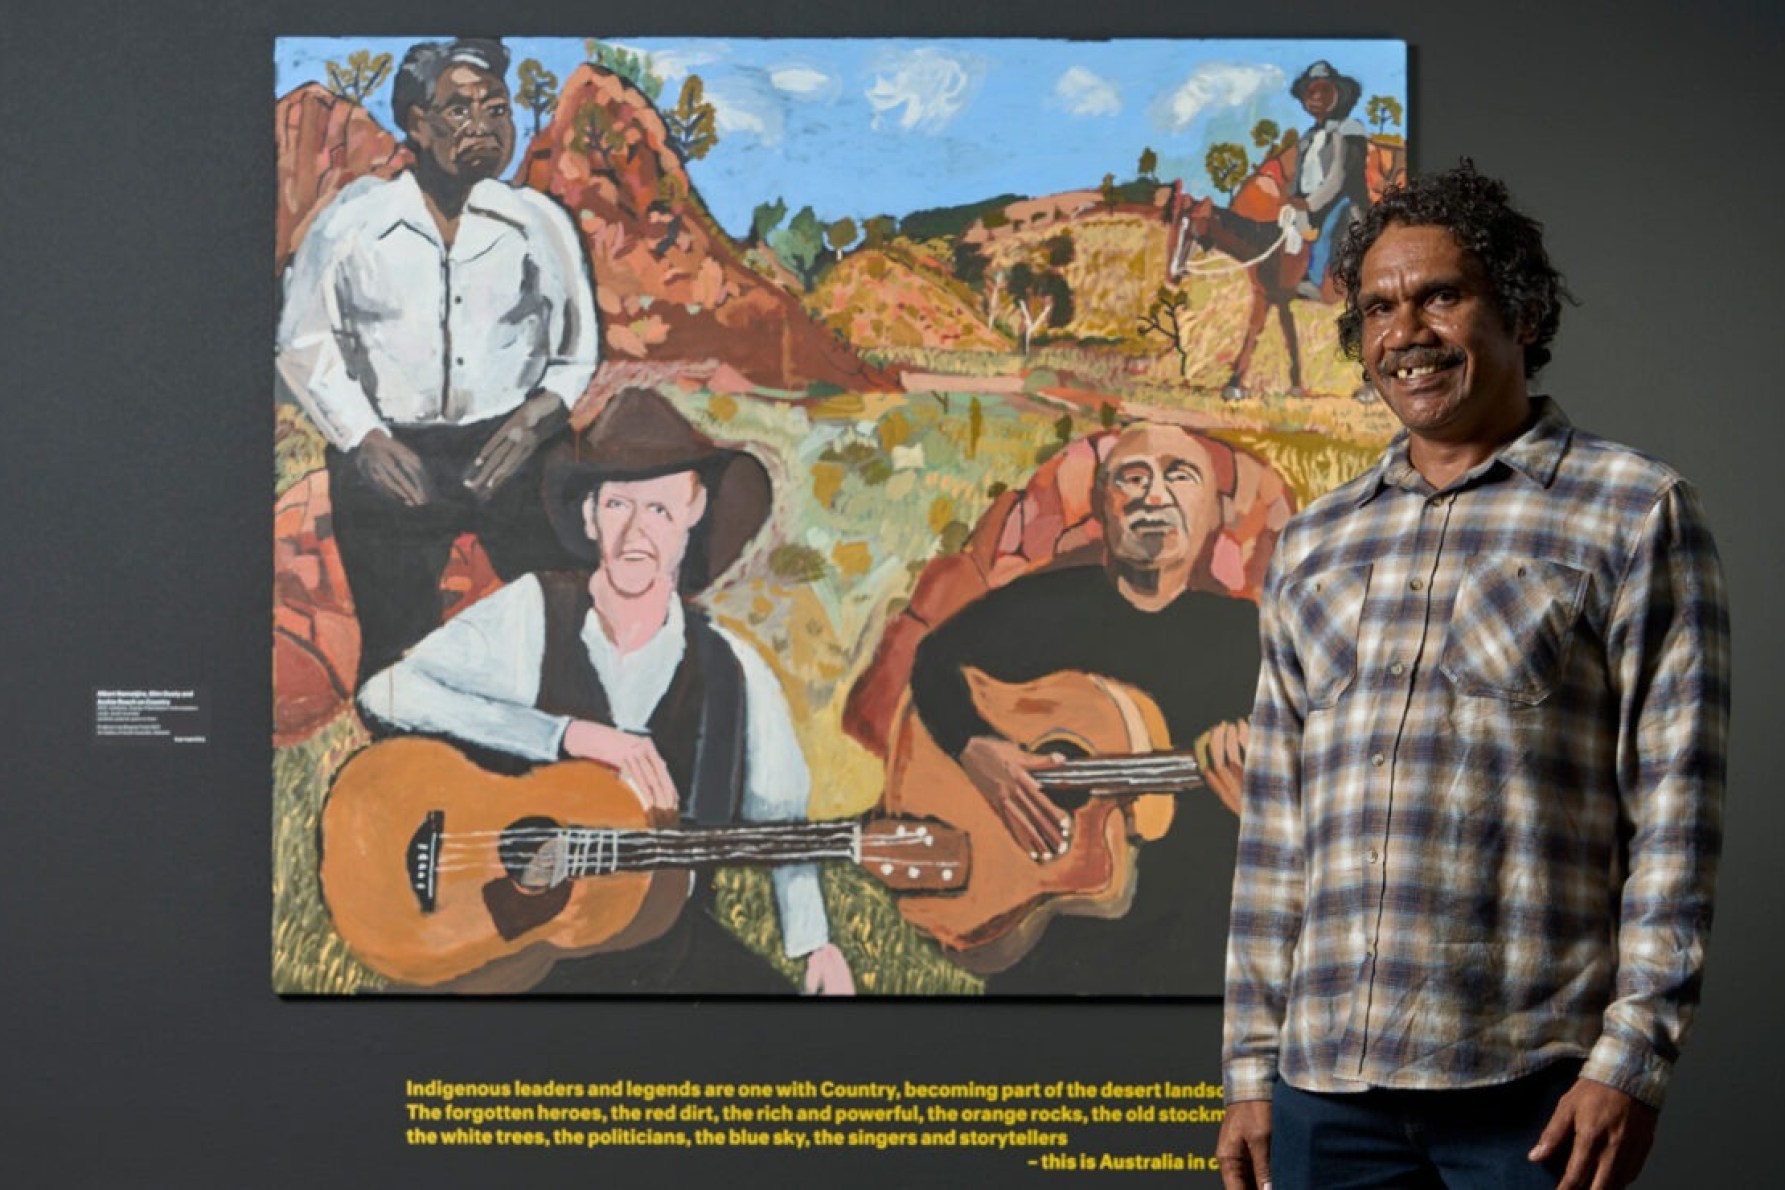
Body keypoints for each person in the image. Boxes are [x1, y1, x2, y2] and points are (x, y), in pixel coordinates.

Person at [1219, 164, 1728, 1189]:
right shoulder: (1314, 545)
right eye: (1377, 307)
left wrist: (1632, 1057)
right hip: (1326, 1090)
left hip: (1535, 1092)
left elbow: (1677, 814)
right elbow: (1276, 828)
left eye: (1439, 295)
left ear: (1521, 311)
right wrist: (1248, 1067)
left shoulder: (1635, 511)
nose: (1406, 329)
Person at [357, 388, 854, 996]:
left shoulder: (734, 670)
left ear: (695, 515)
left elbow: (782, 819)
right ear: (590, 515)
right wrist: (566, 737)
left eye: (661, 510)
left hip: (656, 947)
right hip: (501, 937)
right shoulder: (532, 615)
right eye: (618, 503)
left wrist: (815, 944)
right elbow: (386, 694)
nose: (636, 533)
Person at [276, 38, 600, 686]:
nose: (483, 126)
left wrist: (536, 419)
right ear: (415, 124)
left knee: (563, 629)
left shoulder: (538, 222)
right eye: (458, 110)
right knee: (397, 654)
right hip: (389, 454)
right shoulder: (352, 223)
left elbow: (577, 347)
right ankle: (407, 768)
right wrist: (363, 438)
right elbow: (301, 341)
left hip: (515, 447)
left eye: (496, 109)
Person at [909, 421, 1258, 995]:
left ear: (1213, 513)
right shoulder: (1043, 608)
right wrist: (976, 749)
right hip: (1047, 952)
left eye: (1179, 476)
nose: (1154, 496)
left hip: (1198, 958)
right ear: (1103, 508)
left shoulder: (1256, 640)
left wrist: (1262, 813)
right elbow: (933, 664)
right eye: (1133, 478)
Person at [1286, 60, 1371, 302]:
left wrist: (1311, 204)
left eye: (1324, 91)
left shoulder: (1348, 130)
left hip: (1343, 201)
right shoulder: (1308, 137)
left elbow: (1338, 178)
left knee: (1328, 231)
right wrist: (1294, 201)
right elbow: (1299, 174)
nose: (1317, 98)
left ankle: (1315, 282)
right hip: (1309, 203)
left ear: (1338, 95)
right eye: (1311, 93)